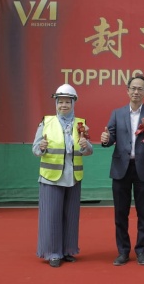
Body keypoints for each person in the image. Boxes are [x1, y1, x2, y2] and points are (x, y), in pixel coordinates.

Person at [101, 74, 144, 266]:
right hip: (121, 168)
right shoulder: (117, 113)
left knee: (143, 213)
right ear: (127, 90)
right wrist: (106, 139)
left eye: (140, 89)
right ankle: (123, 251)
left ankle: (142, 251)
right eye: (133, 88)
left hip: (143, 168)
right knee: (121, 213)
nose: (136, 92)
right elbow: (111, 136)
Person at [32, 83, 93, 268]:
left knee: (71, 216)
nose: (63, 105)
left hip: (73, 177)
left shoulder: (81, 125)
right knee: (51, 216)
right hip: (51, 176)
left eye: (67, 102)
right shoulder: (46, 122)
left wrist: (86, 146)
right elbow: (35, 149)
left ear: (73, 103)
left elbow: (88, 151)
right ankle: (53, 253)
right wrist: (41, 147)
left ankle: (68, 250)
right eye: (60, 102)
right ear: (56, 103)